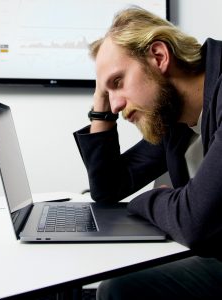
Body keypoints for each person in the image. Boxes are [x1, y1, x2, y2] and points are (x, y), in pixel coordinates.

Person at [73, 6, 222, 299]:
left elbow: (195, 222)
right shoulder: (176, 120)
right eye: (107, 94)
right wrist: (100, 100)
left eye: (118, 82)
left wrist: (147, 199)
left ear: (159, 57)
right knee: (117, 287)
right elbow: (108, 187)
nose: (115, 105)